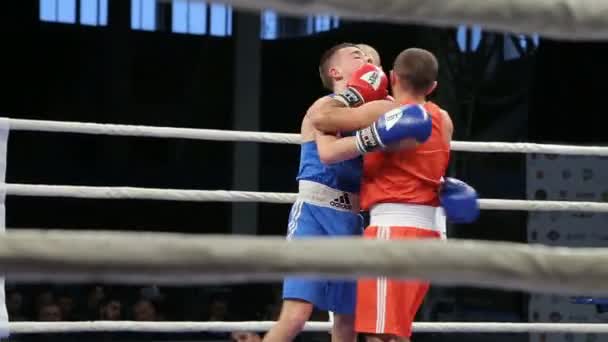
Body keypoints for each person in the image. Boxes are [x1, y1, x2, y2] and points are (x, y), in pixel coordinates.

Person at [309, 48, 479, 342]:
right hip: (432, 233)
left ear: (392, 77)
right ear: (433, 87)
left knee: (380, 334)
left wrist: (357, 93)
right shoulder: (444, 119)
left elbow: (322, 119)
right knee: (396, 330)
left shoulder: (385, 112)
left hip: (394, 232)